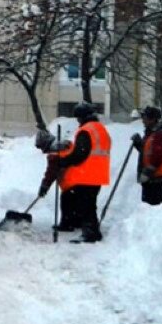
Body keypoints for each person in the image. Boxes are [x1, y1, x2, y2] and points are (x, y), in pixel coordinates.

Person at [56, 102, 111, 243]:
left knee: (86, 205)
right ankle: (88, 229)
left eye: (78, 118)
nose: (77, 121)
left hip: (87, 174)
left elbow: (80, 153)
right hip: (99, 173)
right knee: (88, 204)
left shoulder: (86, 130)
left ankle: (91, 233)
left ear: (82, 116)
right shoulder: (101, 129)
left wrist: (64, 161)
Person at [131, 106, 162, 205]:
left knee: (153, 207)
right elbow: (149, 153)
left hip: (156, 177)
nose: (142, 121)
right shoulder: (152, 133)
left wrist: (147, 173)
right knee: (150, 208)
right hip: (153, 177)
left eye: (145, 118)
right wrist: (139, 144)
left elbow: (158, 155)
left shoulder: (160, 134)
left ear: (153, 119)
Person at [35, 128, 77, 231]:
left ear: (45, 143)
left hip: (71, 180)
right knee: (75, 203)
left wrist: (44, 187)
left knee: (66, 202)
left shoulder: (55, 151)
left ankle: (67, 225)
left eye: (41, 147)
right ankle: (76, 222)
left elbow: (51, 172)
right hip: (79, 177)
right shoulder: (64, 144)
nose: (42, 150)